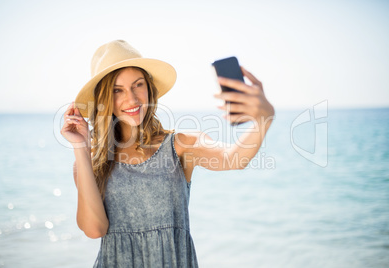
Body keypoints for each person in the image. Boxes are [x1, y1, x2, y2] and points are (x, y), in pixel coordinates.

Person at [61, 40, 275, 268]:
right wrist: (80, 148)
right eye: (117, 90)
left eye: (138, 85)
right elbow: (95, 230)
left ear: (149, 88)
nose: (132, 99)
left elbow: (235, 158)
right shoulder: (90, 162)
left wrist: (263, 119)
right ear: (105, 98)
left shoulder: (181, 145)